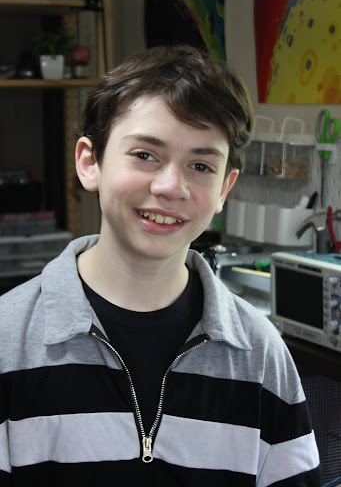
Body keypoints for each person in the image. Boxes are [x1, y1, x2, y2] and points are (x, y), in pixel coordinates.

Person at [0, 45, 320, 486]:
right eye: (145, 155)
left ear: (226, 187)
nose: (172, 186)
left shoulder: (260, 355)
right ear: (90, 162)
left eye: (201, 165)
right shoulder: (7, 340)